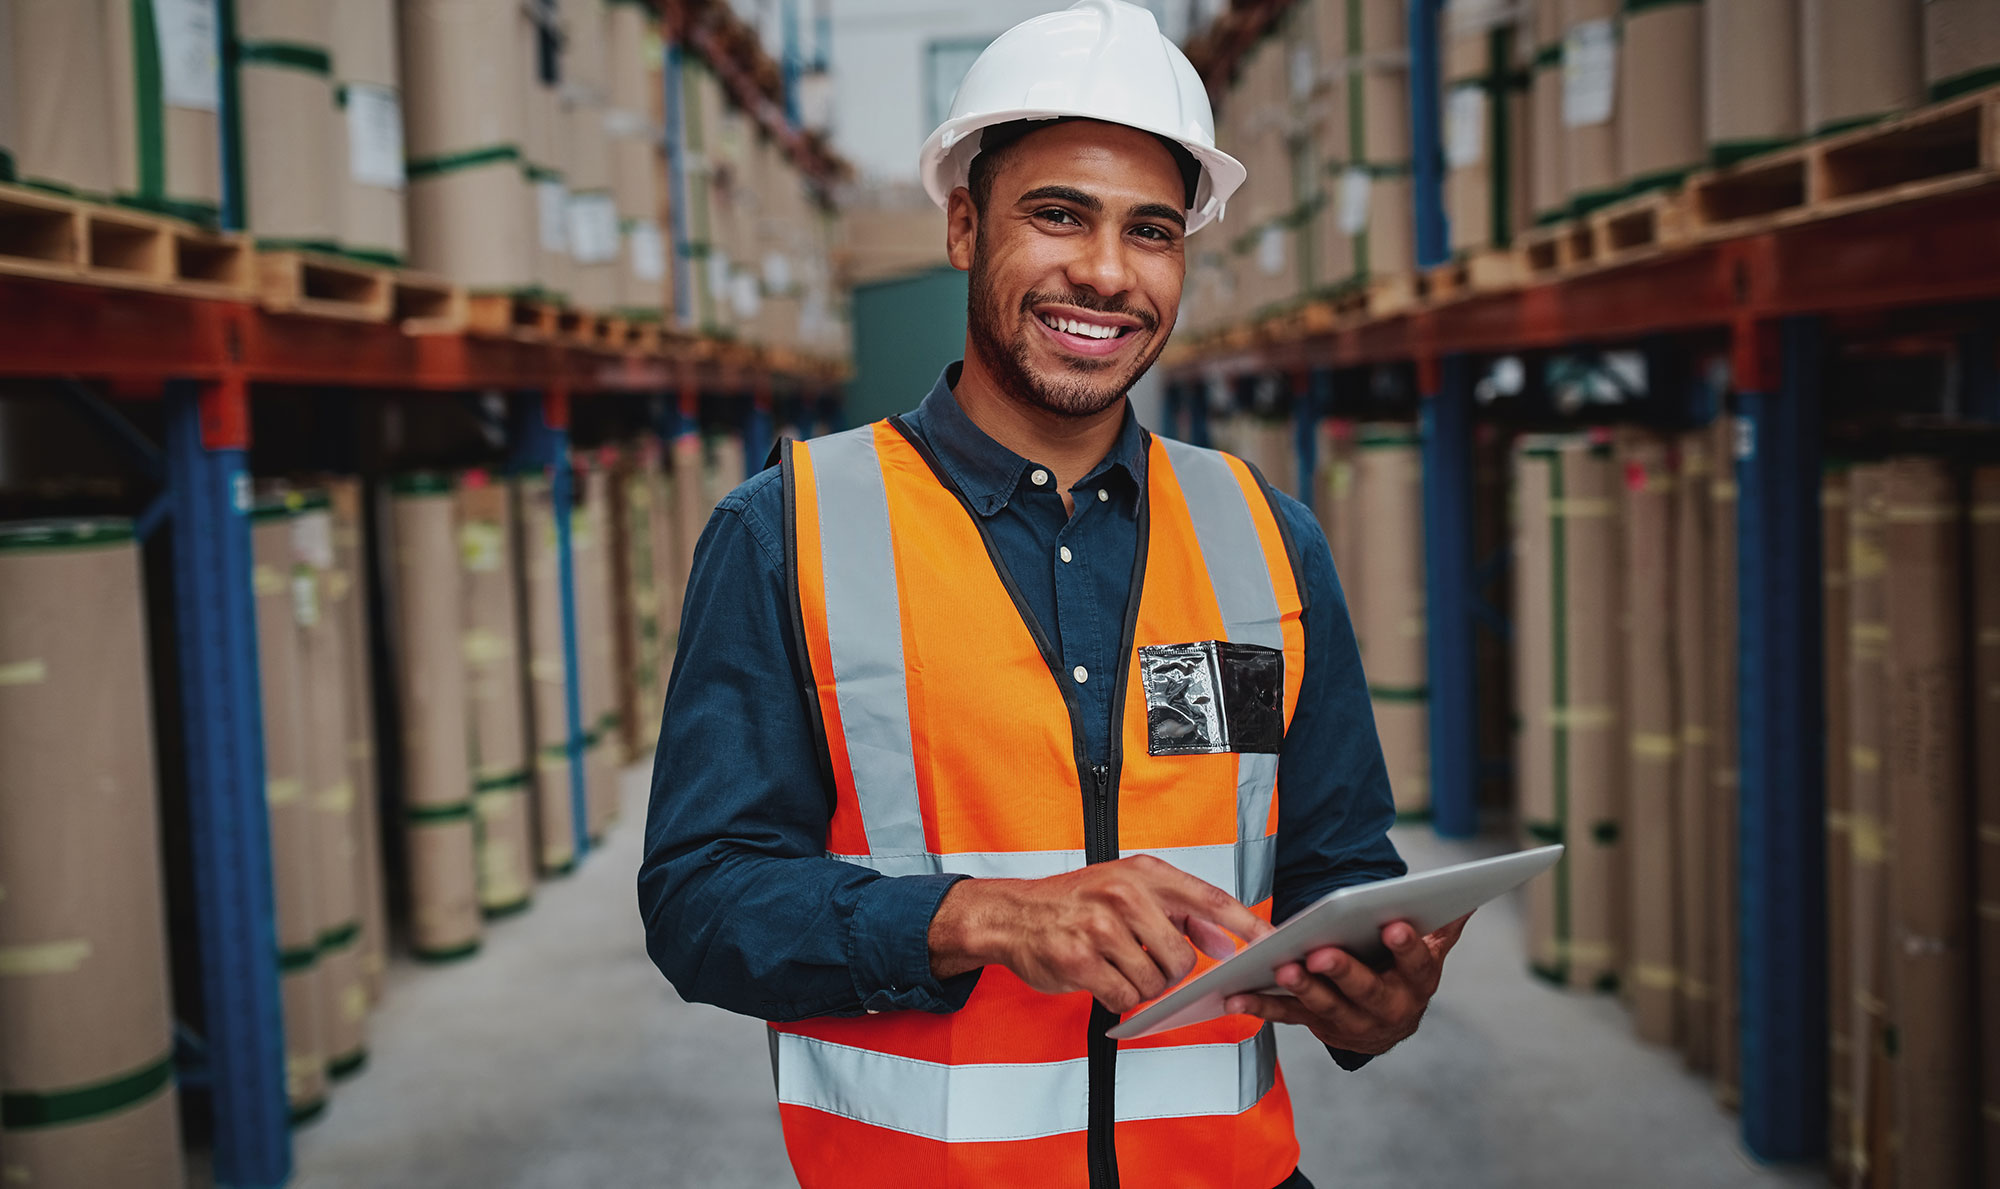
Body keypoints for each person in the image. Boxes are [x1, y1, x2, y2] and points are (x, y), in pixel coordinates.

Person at [638, 2, 1469, 1184]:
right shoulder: (787, 531)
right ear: (965, 226)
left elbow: (1338, 860)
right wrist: (980, 916)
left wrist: (1369, 986)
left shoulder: (1263, 538)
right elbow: (700, 903)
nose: (1105, 272)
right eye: (1057, 215)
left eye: (1152, 231)